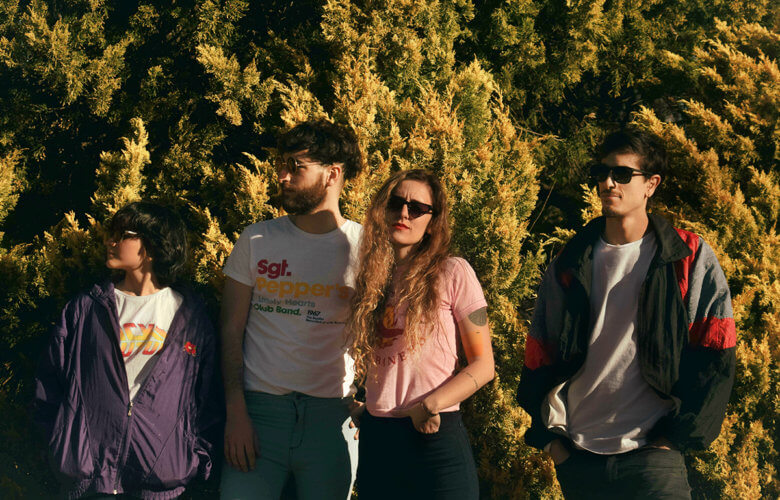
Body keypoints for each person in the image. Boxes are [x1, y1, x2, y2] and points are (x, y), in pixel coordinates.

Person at [516, 129, 736, 499]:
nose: (607, 183)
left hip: (653, 458)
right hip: (580, 460)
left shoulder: (687, 256)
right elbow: (540, 353)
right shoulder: (570, 261)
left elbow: (717, 352)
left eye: (621, 174)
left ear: (651, 184)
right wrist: (552, 444)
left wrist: (675, 439)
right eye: (601, 172)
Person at [34, 201, 222, 499]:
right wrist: (61, 447)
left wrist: (193, 458)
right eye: (111, 233)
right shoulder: (86, 309)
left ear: (154, 244)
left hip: (160, 481)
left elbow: (206, 397)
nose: (109, 241)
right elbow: (49, 385)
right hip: (89, 481)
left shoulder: (190, 316)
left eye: (122, 235)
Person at [220, 119, 364, 499]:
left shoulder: (365, 247)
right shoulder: (257, 238)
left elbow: (386, 331)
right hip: (258, 414)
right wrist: (236, 412)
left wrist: (372, 403)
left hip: (331, 419)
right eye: (281, 165)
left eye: (296, 167)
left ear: (332, 174)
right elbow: (231, 330)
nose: (282, 176)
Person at [347, 169, 495, 500]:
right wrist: (362, 404)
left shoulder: (453, 272)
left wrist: (431, 404)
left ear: (432, 221)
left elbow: (484, 365)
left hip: (434, 434)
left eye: (416, 208)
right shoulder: (370, 278)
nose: (403, 213)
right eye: (396, 203)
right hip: (378, 442)